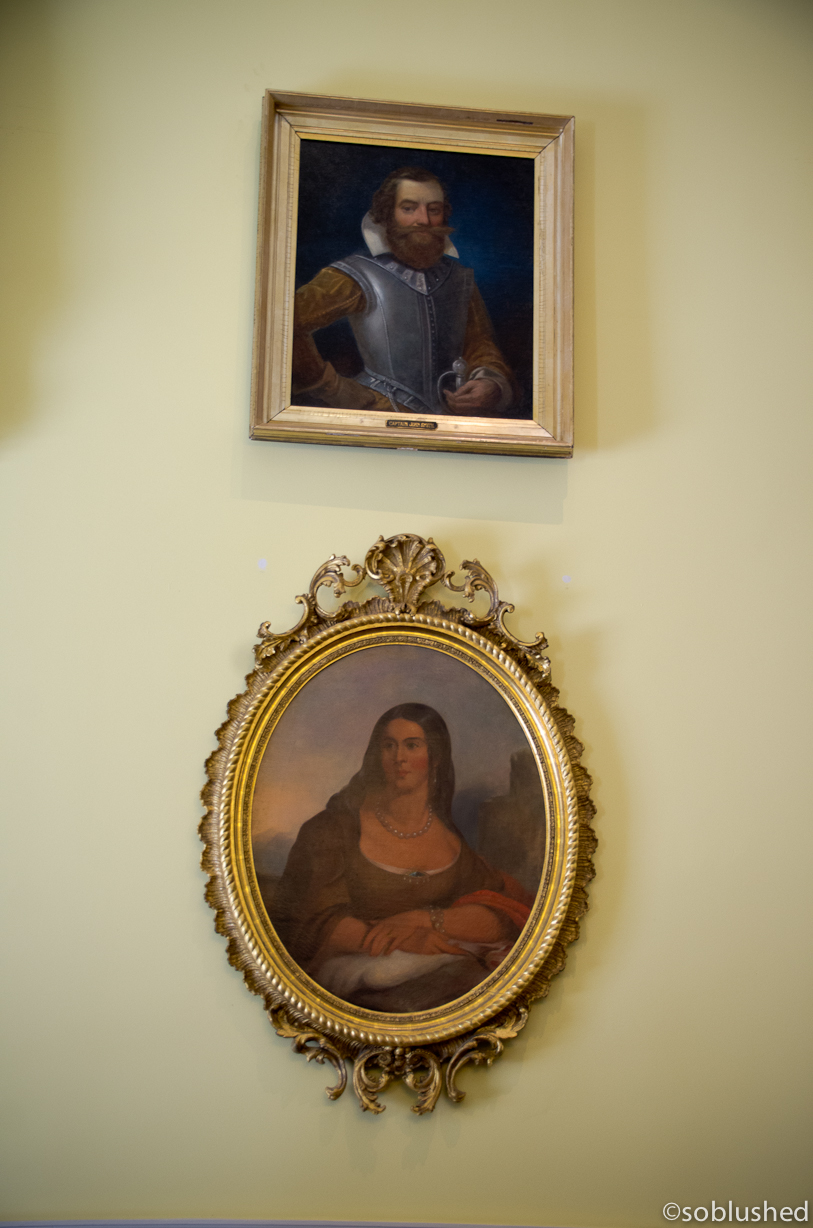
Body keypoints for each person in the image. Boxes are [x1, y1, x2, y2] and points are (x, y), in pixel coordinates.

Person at [269, 703, 533, 1013]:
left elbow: (500, 913)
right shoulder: (331, 829)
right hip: (355, 984)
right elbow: (309, 921)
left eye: (412, 745)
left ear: (435, 758)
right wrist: (405, 940)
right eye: (388, 746)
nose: (399, 758)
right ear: (377, 755)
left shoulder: (451, 841)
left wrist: (425, 920)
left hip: (436, 982)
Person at [291, 167, 518, 418]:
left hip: (450, 421)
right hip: (377, 415)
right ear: (388, 214)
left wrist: (491, 383)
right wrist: (332, 388)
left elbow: (479, 344)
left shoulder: (459, 278)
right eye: (409, 208)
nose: (424, 220)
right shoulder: (355, 274)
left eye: (434, 210)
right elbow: (285, 319)